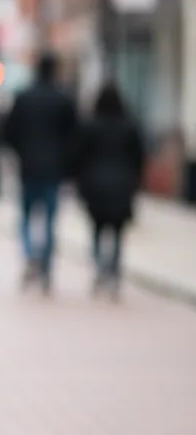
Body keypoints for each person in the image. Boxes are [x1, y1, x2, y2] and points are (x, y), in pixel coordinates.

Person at [2, 51, 77, 292]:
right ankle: (45, 263)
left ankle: (29, 255)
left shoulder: (23, 97)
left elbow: (9, 131)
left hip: (28, 168)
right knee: (50, 219)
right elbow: (74, 137)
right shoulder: (64, 99)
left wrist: (20, 153)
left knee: (26, 217)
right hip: (53, 170)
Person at [74, 83, 144, 297]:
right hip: (121, 186)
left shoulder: (90, 125)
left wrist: (80, 182)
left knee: (97, 230)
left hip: (95, 186)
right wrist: (134, 182)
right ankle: (113, 270)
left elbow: (80, 156)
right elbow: (138, 157)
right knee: (117, 232)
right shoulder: (129, 126)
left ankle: (100, 268)